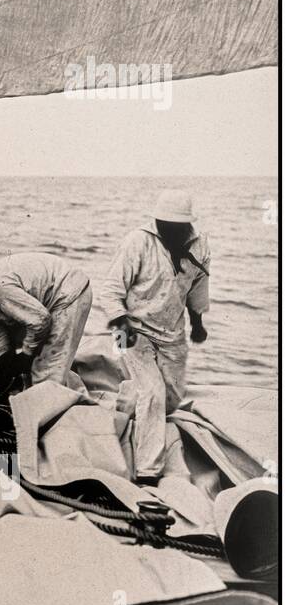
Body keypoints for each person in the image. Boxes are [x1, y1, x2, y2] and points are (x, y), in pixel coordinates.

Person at [97, 189, 211, 482]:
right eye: (165, 223)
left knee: (170, 400)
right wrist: (121, 324)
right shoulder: (138, 241)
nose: (170, 229)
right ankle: (148, 472)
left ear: (187, 225)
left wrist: (197, 324)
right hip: (131, 331)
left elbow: (198, 288)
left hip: (172, 334)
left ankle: (126, 405)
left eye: (177, 225)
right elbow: (110, 289)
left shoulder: (200, 247)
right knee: (153, 394)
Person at [0, 253, 92, 390]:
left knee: (48, 372)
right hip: (50, 299)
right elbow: (1, 341)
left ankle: (48, 405)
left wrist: (26, 355)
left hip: (68, 294)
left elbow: (40, 321)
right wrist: (3, 365)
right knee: (35, 368)